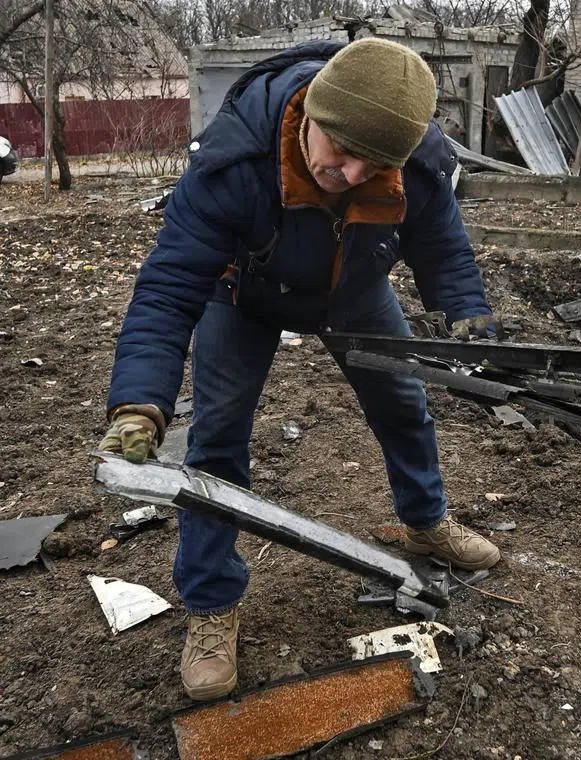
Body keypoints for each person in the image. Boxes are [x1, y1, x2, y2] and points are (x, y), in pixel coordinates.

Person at [96, 38, 502, 702]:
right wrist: (140, 402)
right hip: (245, 294)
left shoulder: (418, 162)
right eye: (338, 153)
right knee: (219, 436)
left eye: (372, 168)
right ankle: (211, 604)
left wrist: (471, 319)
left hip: (355, 291)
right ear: (310, 111)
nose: (347, 175)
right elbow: (168, 290)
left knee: (403, 403)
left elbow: (443, 247)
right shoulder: (235, 161)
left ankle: (426, 523)